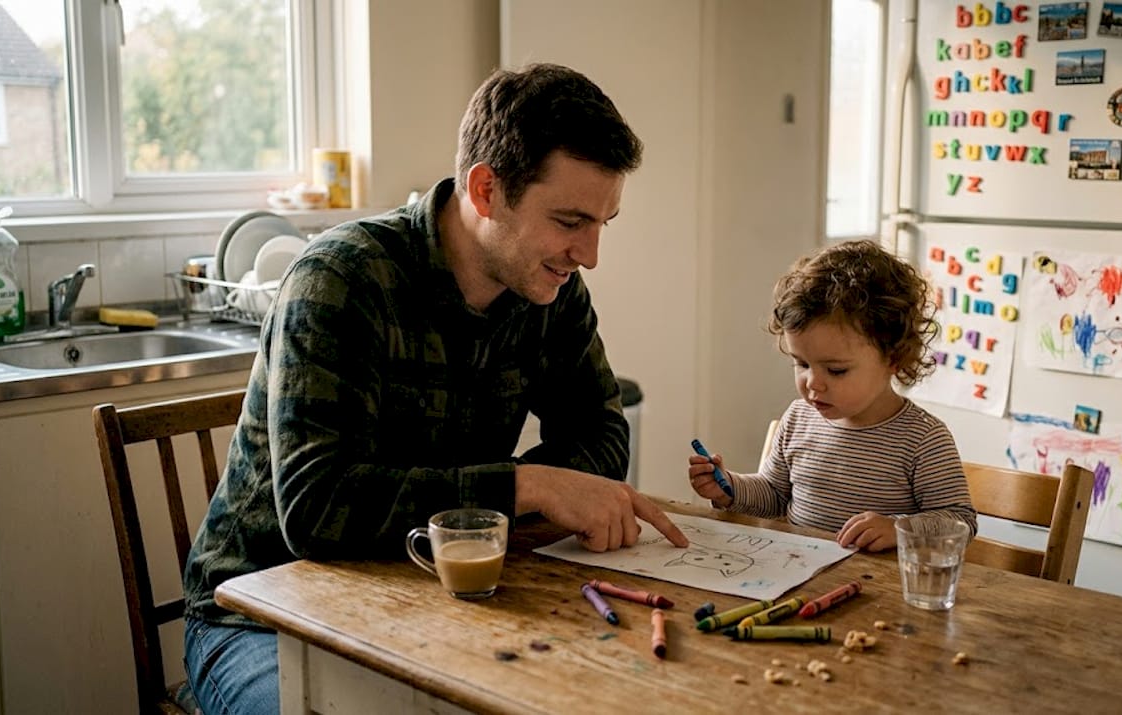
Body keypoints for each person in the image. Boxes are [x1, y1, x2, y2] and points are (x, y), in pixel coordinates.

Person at [183, 62, 689, 714]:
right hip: (259, 614)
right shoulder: (340, 280)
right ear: (486, 190)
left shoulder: (551, 289)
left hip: (427, 592)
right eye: (569, 221)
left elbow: (601, 432)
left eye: (602, 224)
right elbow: (318, 510)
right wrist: (528, 486)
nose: (588, 254)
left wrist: (524, 495)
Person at [688, 240, 976, 552]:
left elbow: (959, 521)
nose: (813, 383)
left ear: (894, 358)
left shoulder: (922, 439)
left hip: (879, 592)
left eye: (836, 371)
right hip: (799, 578)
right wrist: (728, 488)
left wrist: (899, 528)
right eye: (802, 364)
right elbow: (773, 495)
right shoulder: (798, 419)